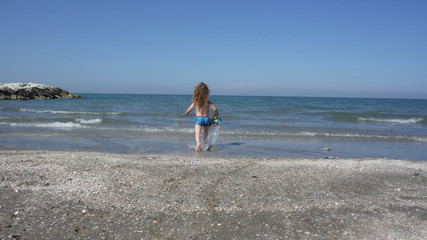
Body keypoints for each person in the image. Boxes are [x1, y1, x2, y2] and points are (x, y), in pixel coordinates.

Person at [184, 82, 219, 151]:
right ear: (206, 92)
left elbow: (190, 108)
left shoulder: (196, 101)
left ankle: (198, 143)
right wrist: (216, 114)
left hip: (199, 119)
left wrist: (186, 113)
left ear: (197, 92)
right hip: (206, 118)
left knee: (197, 132)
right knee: (205, 132)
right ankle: (205, 143)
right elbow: (215, 109)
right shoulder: (208, 101)